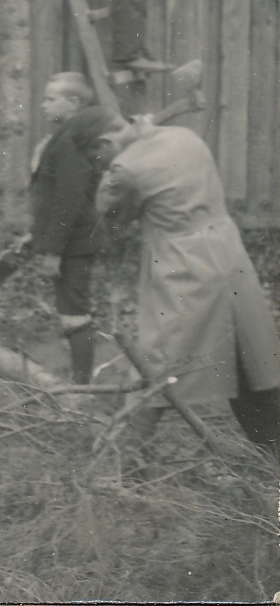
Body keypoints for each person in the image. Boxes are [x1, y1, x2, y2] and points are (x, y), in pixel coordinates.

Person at [82, 110, 280, 458]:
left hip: (183, 267)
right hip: (228, 255)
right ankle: (273, 455)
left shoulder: (125, 169)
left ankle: (119, 464)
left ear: (104, 142)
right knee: (251, 360)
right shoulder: (184, 137)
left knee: (159, 364)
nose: (99, 164)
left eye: (96, 157)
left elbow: (112, 217)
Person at [26, 74, 107, 384]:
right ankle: (80, 381)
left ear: (73, 102)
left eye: (50, 98)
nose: (43, 105)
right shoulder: (69, 135)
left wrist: (53, 251)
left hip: (74, 243)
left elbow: (69, 200)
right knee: (69, 309)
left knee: (74, 311)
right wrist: (37, 236)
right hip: (69, 240)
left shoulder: (73, 140)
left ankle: (82, 388)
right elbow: (50, 200)